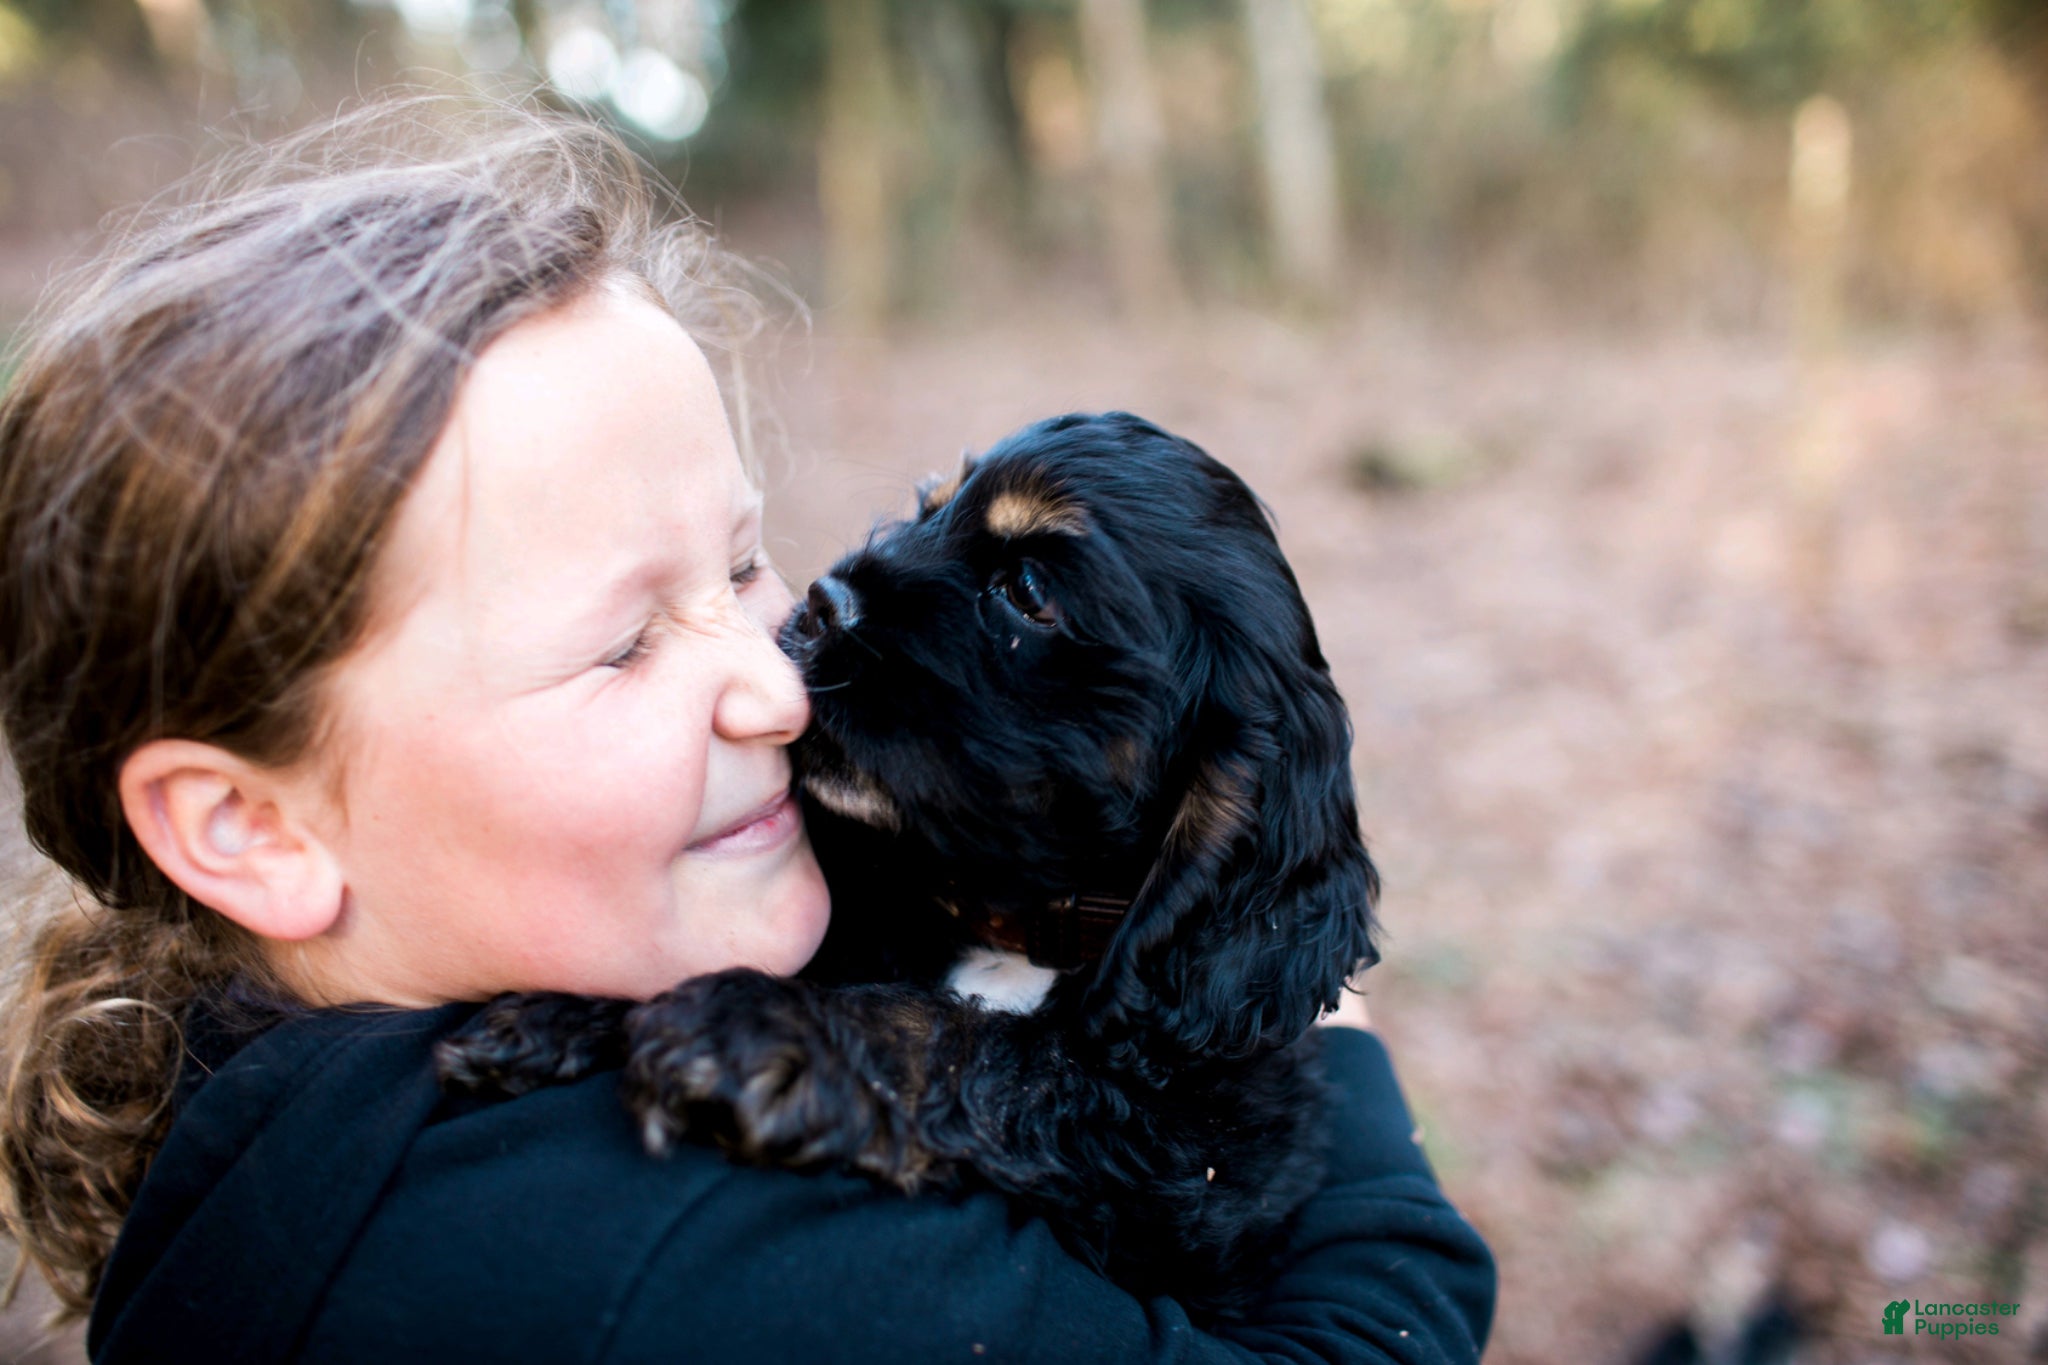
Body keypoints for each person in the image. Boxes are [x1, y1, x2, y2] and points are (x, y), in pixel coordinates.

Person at [0, 99, 1495, 1363]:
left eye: (736, 567)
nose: (783, 677)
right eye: (620, 639)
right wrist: (1342, 1064)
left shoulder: (303, 1105)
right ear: (249, 824)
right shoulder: (678, 1265)